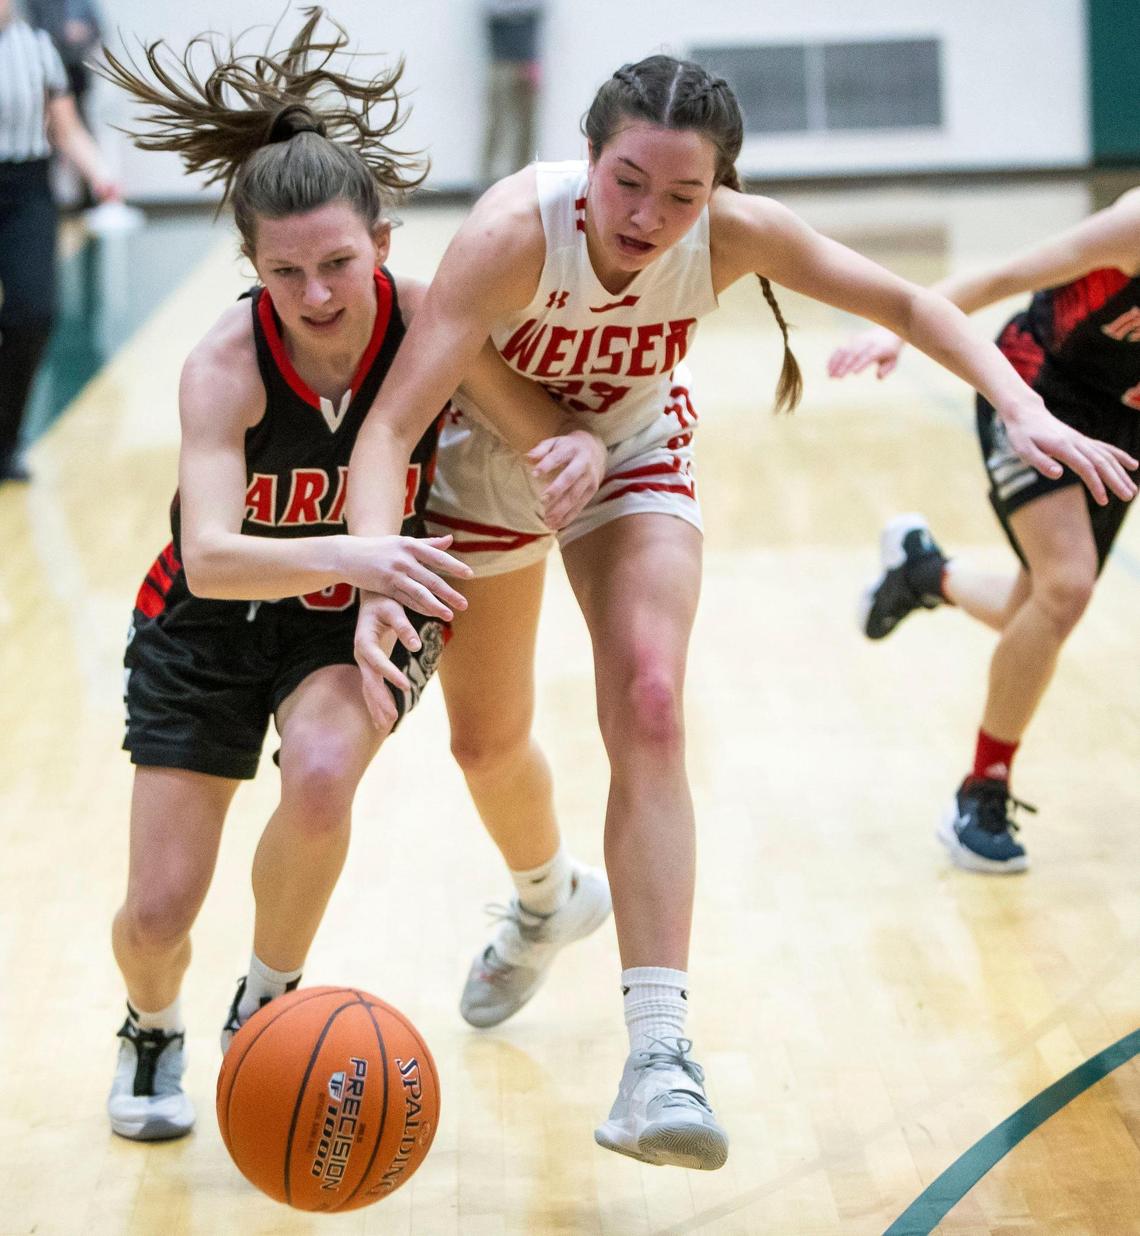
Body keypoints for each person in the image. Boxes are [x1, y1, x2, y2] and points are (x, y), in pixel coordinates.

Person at [346, 55, 1136, 1170]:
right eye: (628, 183)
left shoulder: (732, 233)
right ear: (588, 157)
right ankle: (542, 899)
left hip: (630, 452)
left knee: (654, 702)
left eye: (682, 196)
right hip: (486, 472)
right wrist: (383, 569)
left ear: (719, 188)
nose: (649, 216)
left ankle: (660, 1053)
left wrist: (1023, 406)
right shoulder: (512, 231)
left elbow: (907, 300)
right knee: (486, 743)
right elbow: (388, 427)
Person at [96, 9, 602, 1143]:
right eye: (287, 271)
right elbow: (214, 560)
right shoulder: (224, 365)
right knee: (156, 912)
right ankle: (151, 1021)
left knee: (325, 771)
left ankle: (265, 1008)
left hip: (349, 622)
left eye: (338, 261)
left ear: (381, 237)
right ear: (252, 266)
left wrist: (569, 445)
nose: (318, 293)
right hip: (207, 626)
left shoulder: (429, 321)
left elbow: (535, 426)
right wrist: (363, 549)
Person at [829, 188, 1140, 875]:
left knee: (1034, 607)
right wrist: (897, 330)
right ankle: (982, 789)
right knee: (1067, 588)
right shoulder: (1135, 224)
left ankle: (923, 573)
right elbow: (1005, 275)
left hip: (1125, 421)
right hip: (1038, 390)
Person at [0, 0, 116, 482]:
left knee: (34, 313)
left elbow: (65, 127)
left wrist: (101, 174)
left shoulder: (38, 47)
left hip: (25, 189)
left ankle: (4, 440)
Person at [480, 0, 544, 188]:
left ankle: (523, 183)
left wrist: (532, 59)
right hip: (500, 61)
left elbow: (534, 14)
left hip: (527, 60)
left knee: (526, 126)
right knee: (497, 125)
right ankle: (487, 183)